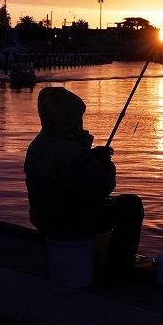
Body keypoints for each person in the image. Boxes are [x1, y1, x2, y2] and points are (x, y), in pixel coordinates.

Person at [24, 86, 143, 282]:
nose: (80, 121)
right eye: (78, 117)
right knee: (130, 206)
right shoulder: (72, 152)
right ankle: (119, 274)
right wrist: (105, 164)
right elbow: (104, 186)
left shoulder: (39, 144)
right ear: (67, 117)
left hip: (44, 218)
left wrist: (91, 157)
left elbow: (66, 176)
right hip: (70, 222)